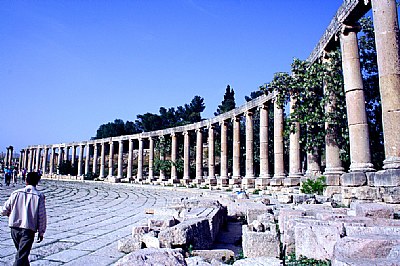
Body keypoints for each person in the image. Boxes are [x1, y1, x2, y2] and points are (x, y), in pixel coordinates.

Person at [1, 172, 47, 265]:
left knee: (22, 253)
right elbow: (41, 216)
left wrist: (8, 213)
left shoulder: (16, 193)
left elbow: (4, 210)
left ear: (26, 181)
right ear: (37, 182)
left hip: (14, 228)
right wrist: (41, 232)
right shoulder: (39, 196)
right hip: (28, 229)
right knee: (22, 255)